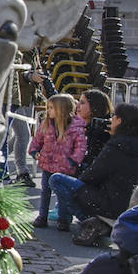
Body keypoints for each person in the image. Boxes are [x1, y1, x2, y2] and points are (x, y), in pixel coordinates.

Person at [49, 103, 138, 242]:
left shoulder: (116, 146)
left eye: (113, 117)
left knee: (57, 179)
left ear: (120, 121)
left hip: (109, 202)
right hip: (132, 205)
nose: (110, 120)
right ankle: (101, 222)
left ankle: (91, 222)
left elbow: (92, 175)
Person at [30, 93, 87, 230]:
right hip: (47, 164)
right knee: (45, 192)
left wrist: (73, 161)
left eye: (51, 108)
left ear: (62, 109)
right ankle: (42, 216)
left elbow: (81, 147)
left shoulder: (76, 128)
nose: (48, 111)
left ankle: (63, 219)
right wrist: (34, 151)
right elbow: (37, 140)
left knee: (61, 195)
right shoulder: (47, 124)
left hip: (65, 167)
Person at [1, 50, 54, 186]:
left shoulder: (34, 49)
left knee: (19, 137)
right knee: (23, 135)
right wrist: (30, 76)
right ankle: (21, 172)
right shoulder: (17, 45)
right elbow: (13, 71)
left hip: (29, 97)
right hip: (14, 98)